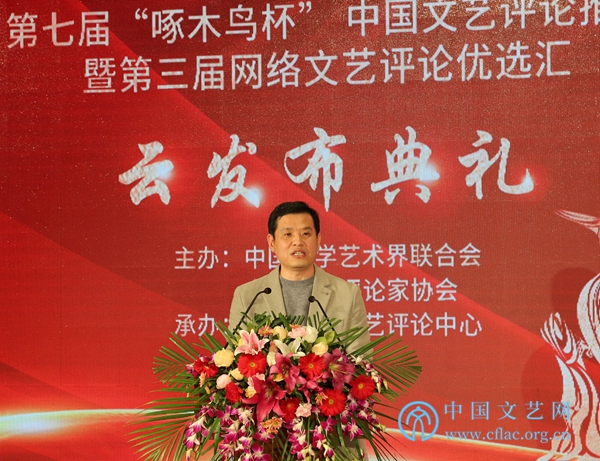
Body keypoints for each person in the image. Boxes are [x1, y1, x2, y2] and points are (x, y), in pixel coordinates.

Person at [228, 201, 370, 353]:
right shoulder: (247, 296)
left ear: (318, 239)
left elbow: (361, 360)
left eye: (306, 234)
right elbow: (235, 355)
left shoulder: (348, 294)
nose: (298, 241)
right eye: (288, 234)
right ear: (271, 242)